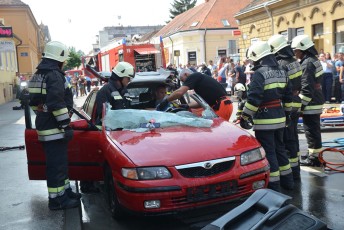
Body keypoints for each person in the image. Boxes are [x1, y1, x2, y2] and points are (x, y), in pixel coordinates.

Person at [28, 41, 80, 210]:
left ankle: (64, 192)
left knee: (59, 164)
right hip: (55, 130)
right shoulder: (54, 75)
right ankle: (57, 201)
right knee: (56, 166)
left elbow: (34, 103)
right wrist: (66, 125)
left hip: (46, 127)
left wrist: (43, 113)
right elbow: (57, 103)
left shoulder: (38, 75)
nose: (64, 62)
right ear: (59, 58)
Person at [241, 41, 294, 191]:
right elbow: (288, 96)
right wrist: (288, 114)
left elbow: (254, 99)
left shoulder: (259, 74)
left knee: (269, 151)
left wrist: (245, 116)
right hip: (280, 117)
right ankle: (288, 182)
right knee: (280, 149)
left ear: (257, 57)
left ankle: (274, 186)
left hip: (265, 120)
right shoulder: (283, 71)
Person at [268, 34, 303, 181]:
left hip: (286, 105)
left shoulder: (281, 64)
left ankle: (289, 176)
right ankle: (296, 171)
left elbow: (282, 88)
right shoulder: (294, 61)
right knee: (293, 138)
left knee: (286, 140)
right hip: (296, 103)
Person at [291, 35, 324, 167]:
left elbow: (306, 88)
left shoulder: (307, 64)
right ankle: (314, 154)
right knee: (314, 130)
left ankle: (314, 159)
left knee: (311, 131)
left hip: (311, 103)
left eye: (296, 50)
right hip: (316, 99)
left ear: (303, 49)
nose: (295, 53)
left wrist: (300, 106)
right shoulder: (314, 60)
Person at [157, 69, 233, 121]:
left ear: (186, 74)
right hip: (221, 105)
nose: (183, 83)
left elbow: (179, 92)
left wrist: (166, 101)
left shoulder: (194, 76)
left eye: (182, 80)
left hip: (222, 105)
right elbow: (202, 102)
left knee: (217, 130)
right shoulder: (199, 82)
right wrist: (187, 106)